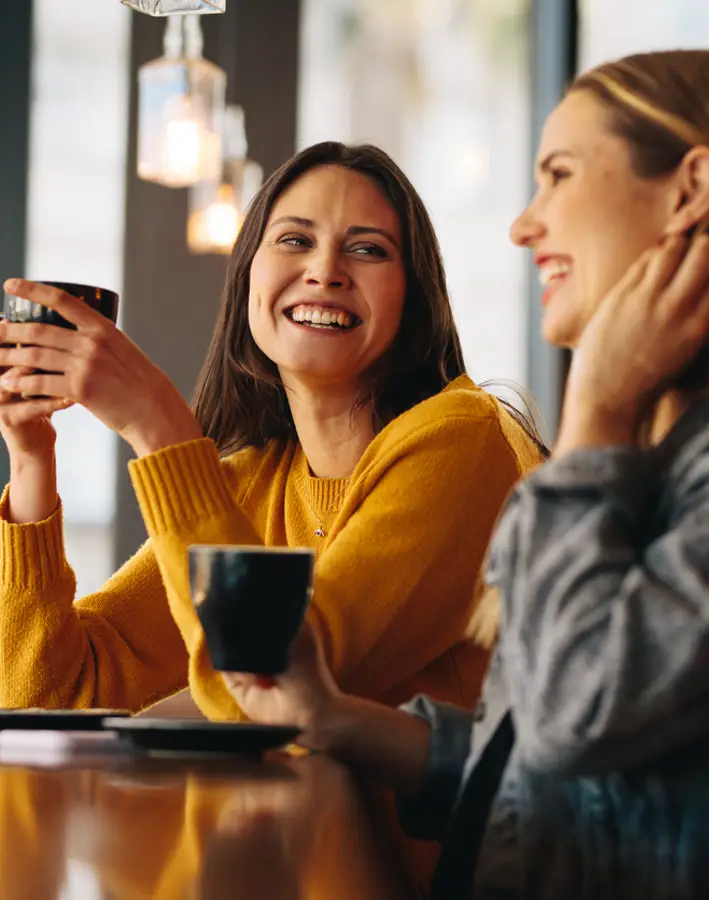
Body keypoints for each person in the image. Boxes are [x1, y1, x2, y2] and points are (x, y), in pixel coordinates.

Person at [224, 50, 709, 899]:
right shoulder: (669, 450)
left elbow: (581, 711)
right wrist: (336, 722)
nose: (524, 225)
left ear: (689, 190)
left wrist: (595, 414)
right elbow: (551, 763)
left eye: (559, 176)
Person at [0, 140, 544, 726]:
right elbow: (50, 697)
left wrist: (157, 423)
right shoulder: (249, 485)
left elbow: (274, 690)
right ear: (247, 277)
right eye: (294, 240)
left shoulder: (463, 440)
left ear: (414, 297)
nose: (325, 271)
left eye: (367, 250)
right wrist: (32, 462)